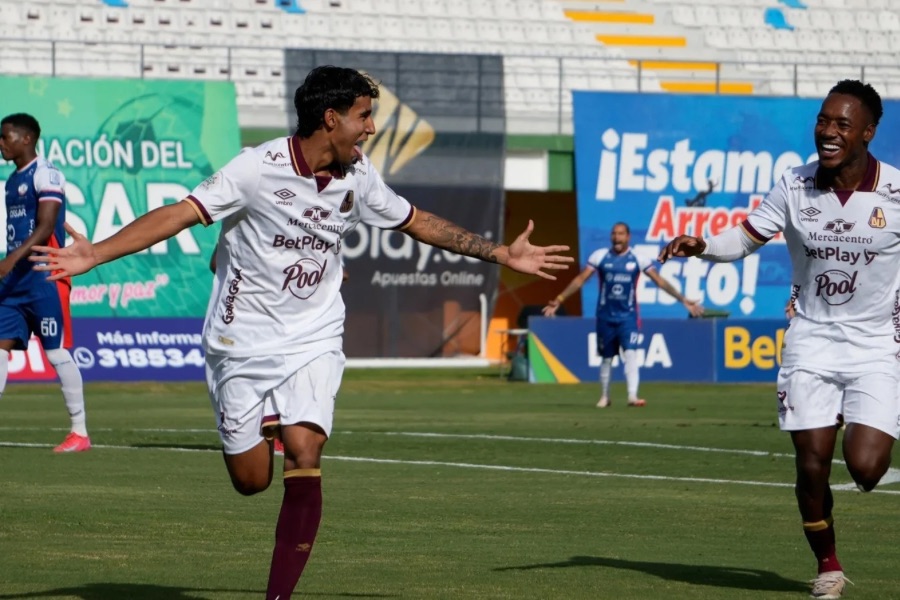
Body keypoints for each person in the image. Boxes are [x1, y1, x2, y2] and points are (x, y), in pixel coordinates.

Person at [31, 66, 572, 599]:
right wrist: (96, 253)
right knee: (251, 481)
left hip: (314, 333)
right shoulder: (256, 168)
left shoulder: (359, 176)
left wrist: (498, 252)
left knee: (305, 449)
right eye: (364, 117)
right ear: (330, 118)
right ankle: (263, 417)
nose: (371, 128)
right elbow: (180, 214)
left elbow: (416, 220)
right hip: (238, 342)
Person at [658, 80, 898, 600]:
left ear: (867, 133)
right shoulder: (793, 184)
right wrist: (701, 245)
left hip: (877, 344)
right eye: (822, 120)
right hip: (811, 338)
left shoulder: (897, 193)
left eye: (841, 125)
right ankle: (828, 568)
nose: (828, 132)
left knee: (866, 469)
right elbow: (744, 238)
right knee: (811, 462)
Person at [0, 113, 90, 453]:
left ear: (26, 139)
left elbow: (46, 225)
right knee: (0, 346)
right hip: (15, 282)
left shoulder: (47, 173)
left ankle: (79, 432)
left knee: (55, 352)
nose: (1, 143)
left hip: (45, 275)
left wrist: (10, 258)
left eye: (5, 137)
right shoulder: (12, 180)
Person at [542, 222, 704, 408]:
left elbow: (659, 281)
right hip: (605, 316)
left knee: (631, 353)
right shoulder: (600, 256)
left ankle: (632, 396)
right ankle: (605, 396)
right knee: (606, 357)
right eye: (613, 234)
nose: (616, 237)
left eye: (620, 234)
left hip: (628, 317)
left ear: (628, 237)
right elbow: (580, 279)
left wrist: (683, 299)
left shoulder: (638, 258)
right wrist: (560, 298)